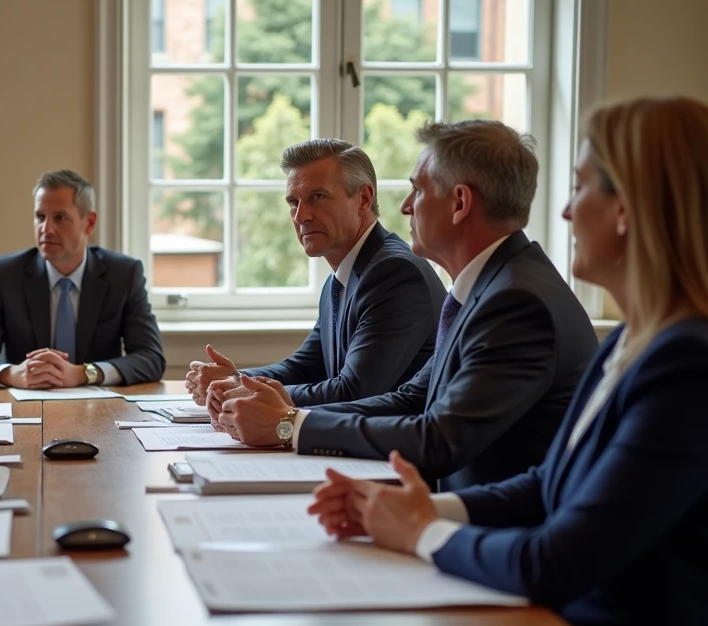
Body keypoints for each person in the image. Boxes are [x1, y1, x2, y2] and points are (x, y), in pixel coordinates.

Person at [309, 96, 708, 626]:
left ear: (625, 208)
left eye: (580, 189)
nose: (566, 212)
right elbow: (551, 484)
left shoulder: (687, 365)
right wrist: (420, 508)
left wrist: (422, 531)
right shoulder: (634, 337)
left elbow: (555, 561)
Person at [219, 120, 599, 490]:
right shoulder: (491, 286)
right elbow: (412, 399)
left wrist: (289, 424)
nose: (404, 207)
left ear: (460, 202)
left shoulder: (516, 302)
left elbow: (438, 438)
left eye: (417, 190)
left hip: (491, 527)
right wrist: (286, 416)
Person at [182, 139, 445, 413]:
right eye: (293, 202)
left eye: (317, 197)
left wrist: (247, 390)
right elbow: (307, 366)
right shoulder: (340, 277)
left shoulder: (394, 273)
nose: (300, 216)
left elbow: (354, 390)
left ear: (364, 199)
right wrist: (233, 380)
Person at [0, 169, 165, 388]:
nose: (46, 229)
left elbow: (151, 357)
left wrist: (85, 373)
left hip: (99, 411)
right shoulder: (5, 275)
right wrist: (12, 374)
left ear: (90, 222)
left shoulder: (123, 274)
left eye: (60, 218)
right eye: (40, 217)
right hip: (25, 408)